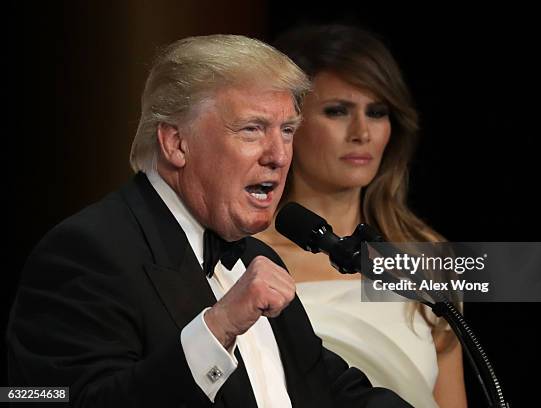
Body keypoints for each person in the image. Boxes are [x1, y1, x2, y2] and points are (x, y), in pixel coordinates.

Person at [7, 35, 414, 407]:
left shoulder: (255, 255)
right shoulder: (85, 251)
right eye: (252, 129)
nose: (279, 155)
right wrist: (217, 329)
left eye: (287, 130)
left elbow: (329, 390)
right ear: (176, 143)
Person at [256, 25, 467, 408]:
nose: (361, 132)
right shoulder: (243, 255)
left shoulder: (424, 255)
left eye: (377, 112)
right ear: (287, 125)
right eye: (337, 111)